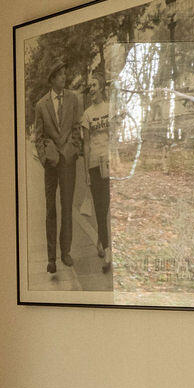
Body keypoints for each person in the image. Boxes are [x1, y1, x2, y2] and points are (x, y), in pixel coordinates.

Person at [31, 69, 84, 276]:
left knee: (67, 207)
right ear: (52, 79)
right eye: (60, 75)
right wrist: (45, 158)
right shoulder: (41, 104)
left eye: (64, 74)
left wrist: (72, 149)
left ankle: (66, 252)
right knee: (51, 209)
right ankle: (51, 258)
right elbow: (39, 136)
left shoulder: (73, 98)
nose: (64, 77)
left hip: (68, 161)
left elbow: (76, 127)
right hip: (52, 165)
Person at [80, 55, 115, 274]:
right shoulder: (87, 114)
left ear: (101, 88)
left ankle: (102, 241)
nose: (91, 89)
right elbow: (85, 146)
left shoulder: (110, 109)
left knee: (107, 207)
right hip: (94, 166)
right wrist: (85, 174)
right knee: (101, 210)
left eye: (94, 85)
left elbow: (116, 137)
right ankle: (108, 250)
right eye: (90, 86)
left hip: (109, 164)